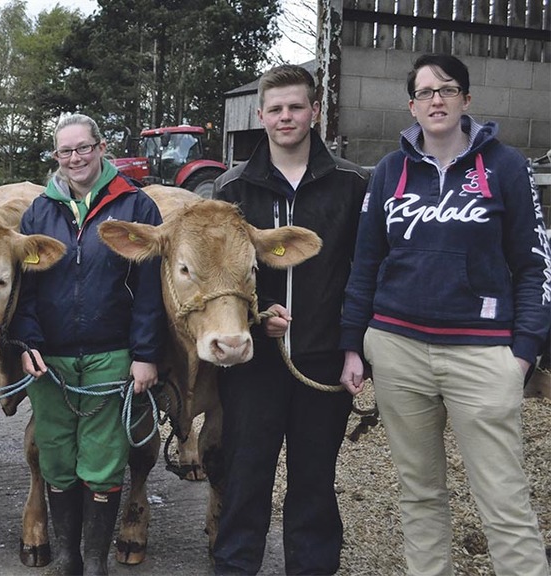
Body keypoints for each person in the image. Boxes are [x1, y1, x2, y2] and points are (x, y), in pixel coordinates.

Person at [340, 53, 551, 576]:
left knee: (503, 500)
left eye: (448, 90)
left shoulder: (506, 166)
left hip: (482, 353)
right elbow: (365, 260)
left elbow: (534, 263)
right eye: (425, 92)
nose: (437, 100)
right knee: (419, 494)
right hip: (398, 349)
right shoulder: (390, 170)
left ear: (466, 100)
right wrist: (354, 343)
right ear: (412, 105)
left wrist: (523, 352)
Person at [210, 65, 369, 575]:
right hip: (254, 361)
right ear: (260, 115)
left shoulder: (351, 184)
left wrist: (354, 349)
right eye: (275, 109)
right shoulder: (232, 188)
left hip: (322, 360)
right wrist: (257, 321)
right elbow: (221, 280)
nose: (286, 117)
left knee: (315, 481)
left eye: (296, 107)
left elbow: (363, 271)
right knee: (245, 476)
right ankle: (234, 567)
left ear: (315, 111)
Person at [10, 113, 166, 576]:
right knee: (56, 452)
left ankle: (95, 559)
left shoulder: (137, 207)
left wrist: (145, 355)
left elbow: (151, 288)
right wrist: (26, 341)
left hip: (111, 353)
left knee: (103, 457)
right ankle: (66, 555)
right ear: (56, 156)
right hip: (50, 358)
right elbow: (25, 289)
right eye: (65, 151)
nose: (74, 158)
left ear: (101, 147)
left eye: (83, 148)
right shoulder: (39, 212)